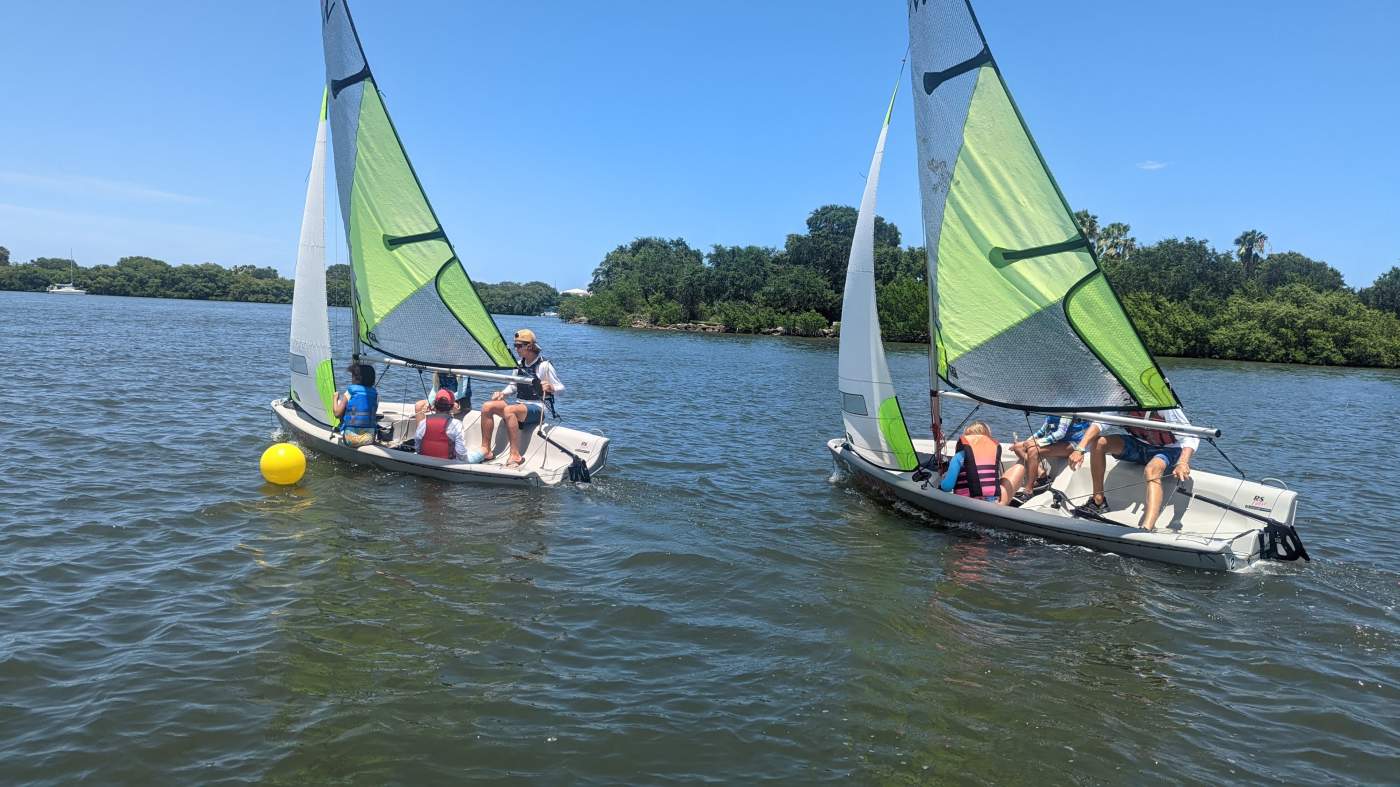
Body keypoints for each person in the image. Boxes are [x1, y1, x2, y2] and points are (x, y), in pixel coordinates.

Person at [1074, 408, 1198, 530]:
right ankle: (1098, 502)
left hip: (1169, 449)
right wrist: (1080, 448)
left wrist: (1183, 462)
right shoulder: (1124, 399)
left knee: (1152, 470)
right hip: (1139, 444)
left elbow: (1190, 437)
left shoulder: (1166, 407)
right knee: (1099, 443)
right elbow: (1100, 422)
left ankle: (1148, 526)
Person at [478, 328, 564, 466]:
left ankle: (515, 455)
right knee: (487, 406)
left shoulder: (544, 365)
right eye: (515, 345)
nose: (516, 349)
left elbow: (561, 389)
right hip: (520, 406)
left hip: (538, 408)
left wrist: (551, 388)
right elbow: (513, 386)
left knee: (509, 410)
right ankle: (486, 450)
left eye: (519, 346)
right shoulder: (519, 364)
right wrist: (503, 393)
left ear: (529, 346)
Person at [1009, 416, 1102, 505]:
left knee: (1033, 451)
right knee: (1018, 447)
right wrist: (1027, 442)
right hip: (1058, 442)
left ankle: (1028, 492)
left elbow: (1061, 433)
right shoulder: (1052, 409)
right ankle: (1042, 476)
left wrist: (1037, 442)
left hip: (1072, 444)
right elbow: (1042, 431)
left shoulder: (1066, 409)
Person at [938, 421, 1024, 505]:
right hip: (992, 504)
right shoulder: (993, 455)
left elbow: (947, 487)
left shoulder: (959, 457)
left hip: (965, 503)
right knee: (1013, 472)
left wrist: (940, 485)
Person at [416, 387, 469, 460]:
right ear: (452, 407)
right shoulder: (457, 424)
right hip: (448, 463)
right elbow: (461, 453)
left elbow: (418, 446)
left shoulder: (423, 422)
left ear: (434, 404)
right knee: (479, 454)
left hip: (425, 461)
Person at [334, 363, 379, 447]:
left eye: (352, 376)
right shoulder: (375, 394)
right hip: (369, 439)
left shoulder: (350, 392)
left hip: (350, 439)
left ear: (356, 378)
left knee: (343, 413)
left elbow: (337, 414)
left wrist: (335, 398)